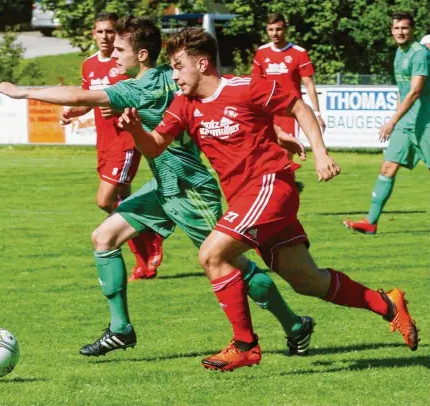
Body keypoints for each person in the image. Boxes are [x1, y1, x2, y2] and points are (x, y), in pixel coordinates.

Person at [0, 16, 316, 363]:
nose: (112, 55)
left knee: (233, 265)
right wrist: (274, 131)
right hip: (162, 185)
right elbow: (211, 99)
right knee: (104, 238)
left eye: (119, 49)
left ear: (142, 55)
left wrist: (22, 91)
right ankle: (120, 329)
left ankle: (294, 325)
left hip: (190, 188)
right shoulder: (168, 74)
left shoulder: (139, 87)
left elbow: (79, 92)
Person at [118, 27, 419, 371]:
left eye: (177, 66)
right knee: (307, 281)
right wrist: (135, 131)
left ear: (202, 63)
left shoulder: (246, 87)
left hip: (270, 186)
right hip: (245, 199)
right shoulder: (184, 105)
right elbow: (155, 145)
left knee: (212, 254)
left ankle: (245, 345)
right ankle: (388, 305)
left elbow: (299, 108)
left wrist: (321, 154)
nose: (174, 75)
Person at [59, 12, 164, 280]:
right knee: (123, 201)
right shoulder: (89, 65)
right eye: (100, 31)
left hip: (125, 140)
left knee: (104, 199)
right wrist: (74, 112)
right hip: (104, 142)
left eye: (109, 32)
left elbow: (135, 97)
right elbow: (90, 99)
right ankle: (143, 263)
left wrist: (119, 108)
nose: (105, 37)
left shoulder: (123, 65)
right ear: (93, 34)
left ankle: (148, 228)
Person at [344, 11, 430, 234]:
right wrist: (397, 121)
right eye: (396, 28)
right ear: (391, 30)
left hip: (426, 124)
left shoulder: (420, 54)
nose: (400, 32)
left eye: (405, 28)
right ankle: (370, 222)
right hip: (406, 125)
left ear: (412, 30)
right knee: (387, 167)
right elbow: (403, 93)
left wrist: (392, 121)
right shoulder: (399, 53)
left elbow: (415, 91)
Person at [252, 13, 326, 140]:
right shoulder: (261, 52)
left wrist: (317, 113)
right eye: (270, 29)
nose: (274, 33)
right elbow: (255, 83)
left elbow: (309, 84)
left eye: (278, 29)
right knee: (267, 154)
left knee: (286, 152)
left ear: (285, 29)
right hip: (267, 111)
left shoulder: (299, 53)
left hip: (290, 111)